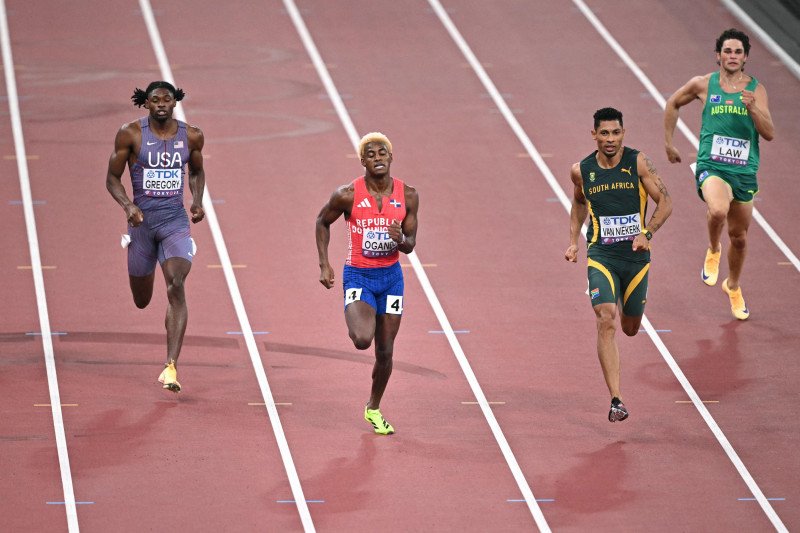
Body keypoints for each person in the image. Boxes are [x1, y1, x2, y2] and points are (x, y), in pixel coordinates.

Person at [565, 107, 672, 422]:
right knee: (606, 319)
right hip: (601, 255)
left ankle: (628, 301)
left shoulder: (638, 162)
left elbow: (665, 201)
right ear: (594, 134)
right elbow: (579, 205)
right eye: (604, 133)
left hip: (636, 258)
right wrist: (573, 241)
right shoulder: (581, 170)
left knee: (630, 328)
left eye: (616, 133)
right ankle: (616, 400)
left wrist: (647, 232)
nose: (610, 139)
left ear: (623, 133)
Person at [664, 28, 775, 320]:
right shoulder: (703, 84)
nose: (733, 56)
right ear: (718, 55)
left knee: (739, 237)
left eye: (738, 52)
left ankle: (733, 286)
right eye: (727, 51)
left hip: (744, 172)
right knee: (717, 210)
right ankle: (713, 248)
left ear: (746, 57)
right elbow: (673, 103)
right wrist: (669, 143)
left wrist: (754, 110)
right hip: (711, 165)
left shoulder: (756, 90)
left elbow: (769, 133)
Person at [105, 81, 206, 393]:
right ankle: (160, 301)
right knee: (142, 299)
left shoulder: (192, 135)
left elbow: (197, 171)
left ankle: (170, 365)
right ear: (145, 103)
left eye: (167, 99)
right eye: (155, 100)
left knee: (176, 283)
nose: (161, 104)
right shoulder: (131, 134)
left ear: (175, 102)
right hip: (142, 225)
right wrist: (128, 205)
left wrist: (197, 200)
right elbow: (112, 177)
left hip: (175, 222)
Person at [315, 132, 419, 435]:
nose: (377, 158)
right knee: (362, 339)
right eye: (370, 154)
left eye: (382, 153)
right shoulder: (347, 194)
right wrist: (324, 263)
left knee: (385, 351)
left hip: (391, 279)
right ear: (362, 161)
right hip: (359, 274)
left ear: (390, 157)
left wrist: (401, 239)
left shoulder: (408, 195)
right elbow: (322, 221)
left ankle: (373, 408)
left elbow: (411, 244)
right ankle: (360, 310)